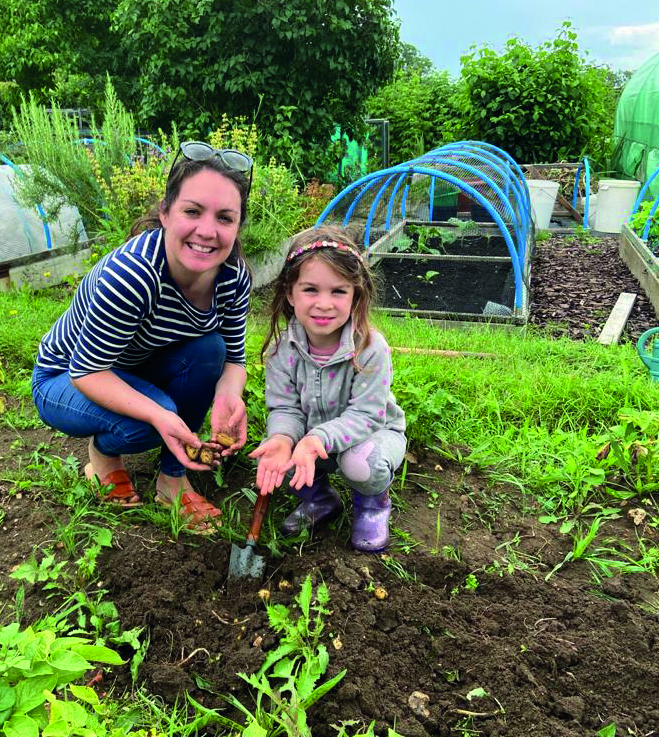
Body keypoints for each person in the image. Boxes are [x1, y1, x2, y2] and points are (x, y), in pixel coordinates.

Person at [32, 141, 254, 533]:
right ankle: (102, 458)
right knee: (152, 422)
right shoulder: (132, 275)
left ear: (238, 227)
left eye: (225, 218)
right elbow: (88, 372)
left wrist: (228, 396)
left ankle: (173, 482)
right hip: (67, 377)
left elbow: (234, 360)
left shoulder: (233, 278)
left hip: (138, 366)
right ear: (166, 213)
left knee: (210, 349)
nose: (207, 231)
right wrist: (160, 413)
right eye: (192, 211)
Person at [249, 226, 407, 551]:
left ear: (356, 295)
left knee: (359, 464)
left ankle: (372, 505)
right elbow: (286, 409)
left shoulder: (371, 347)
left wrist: (316, 438)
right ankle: (320, 499)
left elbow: (366, 415)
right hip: (312, 439)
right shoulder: (282, 350)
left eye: (338, 291)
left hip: (371, 436)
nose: (324, 303)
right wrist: (281, 439)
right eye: (310, 290)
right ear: (290, 293)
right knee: (274, 454)